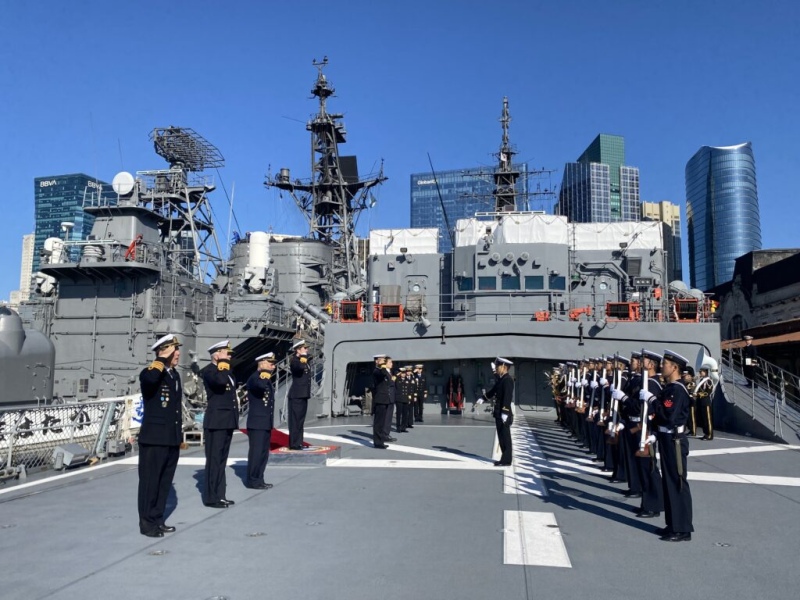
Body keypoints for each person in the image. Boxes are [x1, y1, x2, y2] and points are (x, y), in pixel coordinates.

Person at [138, 334, 183, 537]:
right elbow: (149, 382)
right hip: (154, 439)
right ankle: (147, 524)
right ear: (164, 352)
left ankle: (158, 518)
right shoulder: (150, 372)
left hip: (170, 438)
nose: (178, 354)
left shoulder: (174, 375)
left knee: (164, 482)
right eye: (175, 350)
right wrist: (160, 360)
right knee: (150, 483)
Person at [652, 350, 694, 542]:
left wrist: (652, 401)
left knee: (677, 482)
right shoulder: (670, 388)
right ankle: (672, 524)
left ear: (674, 367)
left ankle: (683, 529)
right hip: (666, 438)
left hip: (675, 441)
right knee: (669, 482)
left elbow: (668, 416)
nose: (662, 366)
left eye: (665, 364)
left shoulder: (677, 389)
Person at [201, 340, 238, 508]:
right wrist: (222, 365)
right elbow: (220, 383)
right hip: (216, 422)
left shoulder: (226, 371)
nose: (229, 356)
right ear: (216, 355)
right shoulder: (209, 371)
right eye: (226, 353)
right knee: (214, 460)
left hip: (227, 421)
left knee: (222, 460)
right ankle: (211, 497)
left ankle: (220, 495)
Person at [245, 352, 277, 490]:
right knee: (256, 453)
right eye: (270, 363)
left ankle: (260, 478)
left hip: (264, 423)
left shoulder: (266, 378)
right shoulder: (255, 378)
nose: (273, 366)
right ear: (262, 363)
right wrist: (264, 372)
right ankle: (253, 480)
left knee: (263, 453)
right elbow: (260, 387)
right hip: (257, 423)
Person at [479, 357, 514, 466]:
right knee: (501, 436)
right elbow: (494, 390)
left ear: (504, 367)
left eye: (498, 367)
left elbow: (507, 397)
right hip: (499, 412)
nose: (497, 369)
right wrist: (483, 398)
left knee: (505, 437)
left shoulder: (507, 380)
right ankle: (505, 458)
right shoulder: (502, 379)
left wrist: (505, 412)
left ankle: (507, 460)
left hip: (504, 413)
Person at [288, 339, 311, 450]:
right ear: (298, 350)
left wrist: (304, 358)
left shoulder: (304, 361)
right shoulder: (295, 361)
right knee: (295, 420)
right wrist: (303, 357)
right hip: (296, 395)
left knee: (300, 420)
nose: (307, 350)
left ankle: (299, 442)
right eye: (304, 348)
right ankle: (294, 443)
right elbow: (300, 368)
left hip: (303, 394)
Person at [372, 355, 393, 449]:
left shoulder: (382, 371)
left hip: (385, 399)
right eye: (382, 360)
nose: (384, 362)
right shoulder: (376, 371)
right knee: (378, 422)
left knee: (382, 422)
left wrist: (383, 367)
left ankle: (381, 440)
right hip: (380, 399)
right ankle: (377, 442)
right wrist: (383, 366)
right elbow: (382, 375)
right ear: (377, 361)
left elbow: (389, 378)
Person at [695, 366, 715, 440]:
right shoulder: (701, 380)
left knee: (708, 419)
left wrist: (697, 394)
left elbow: (707, 392)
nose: (700, 373)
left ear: (706, 372)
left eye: (701, 372)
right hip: (701, 402)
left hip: (706, 402)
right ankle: (706, 433)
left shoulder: (708, 381)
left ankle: (710, 434)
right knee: (703, 419)